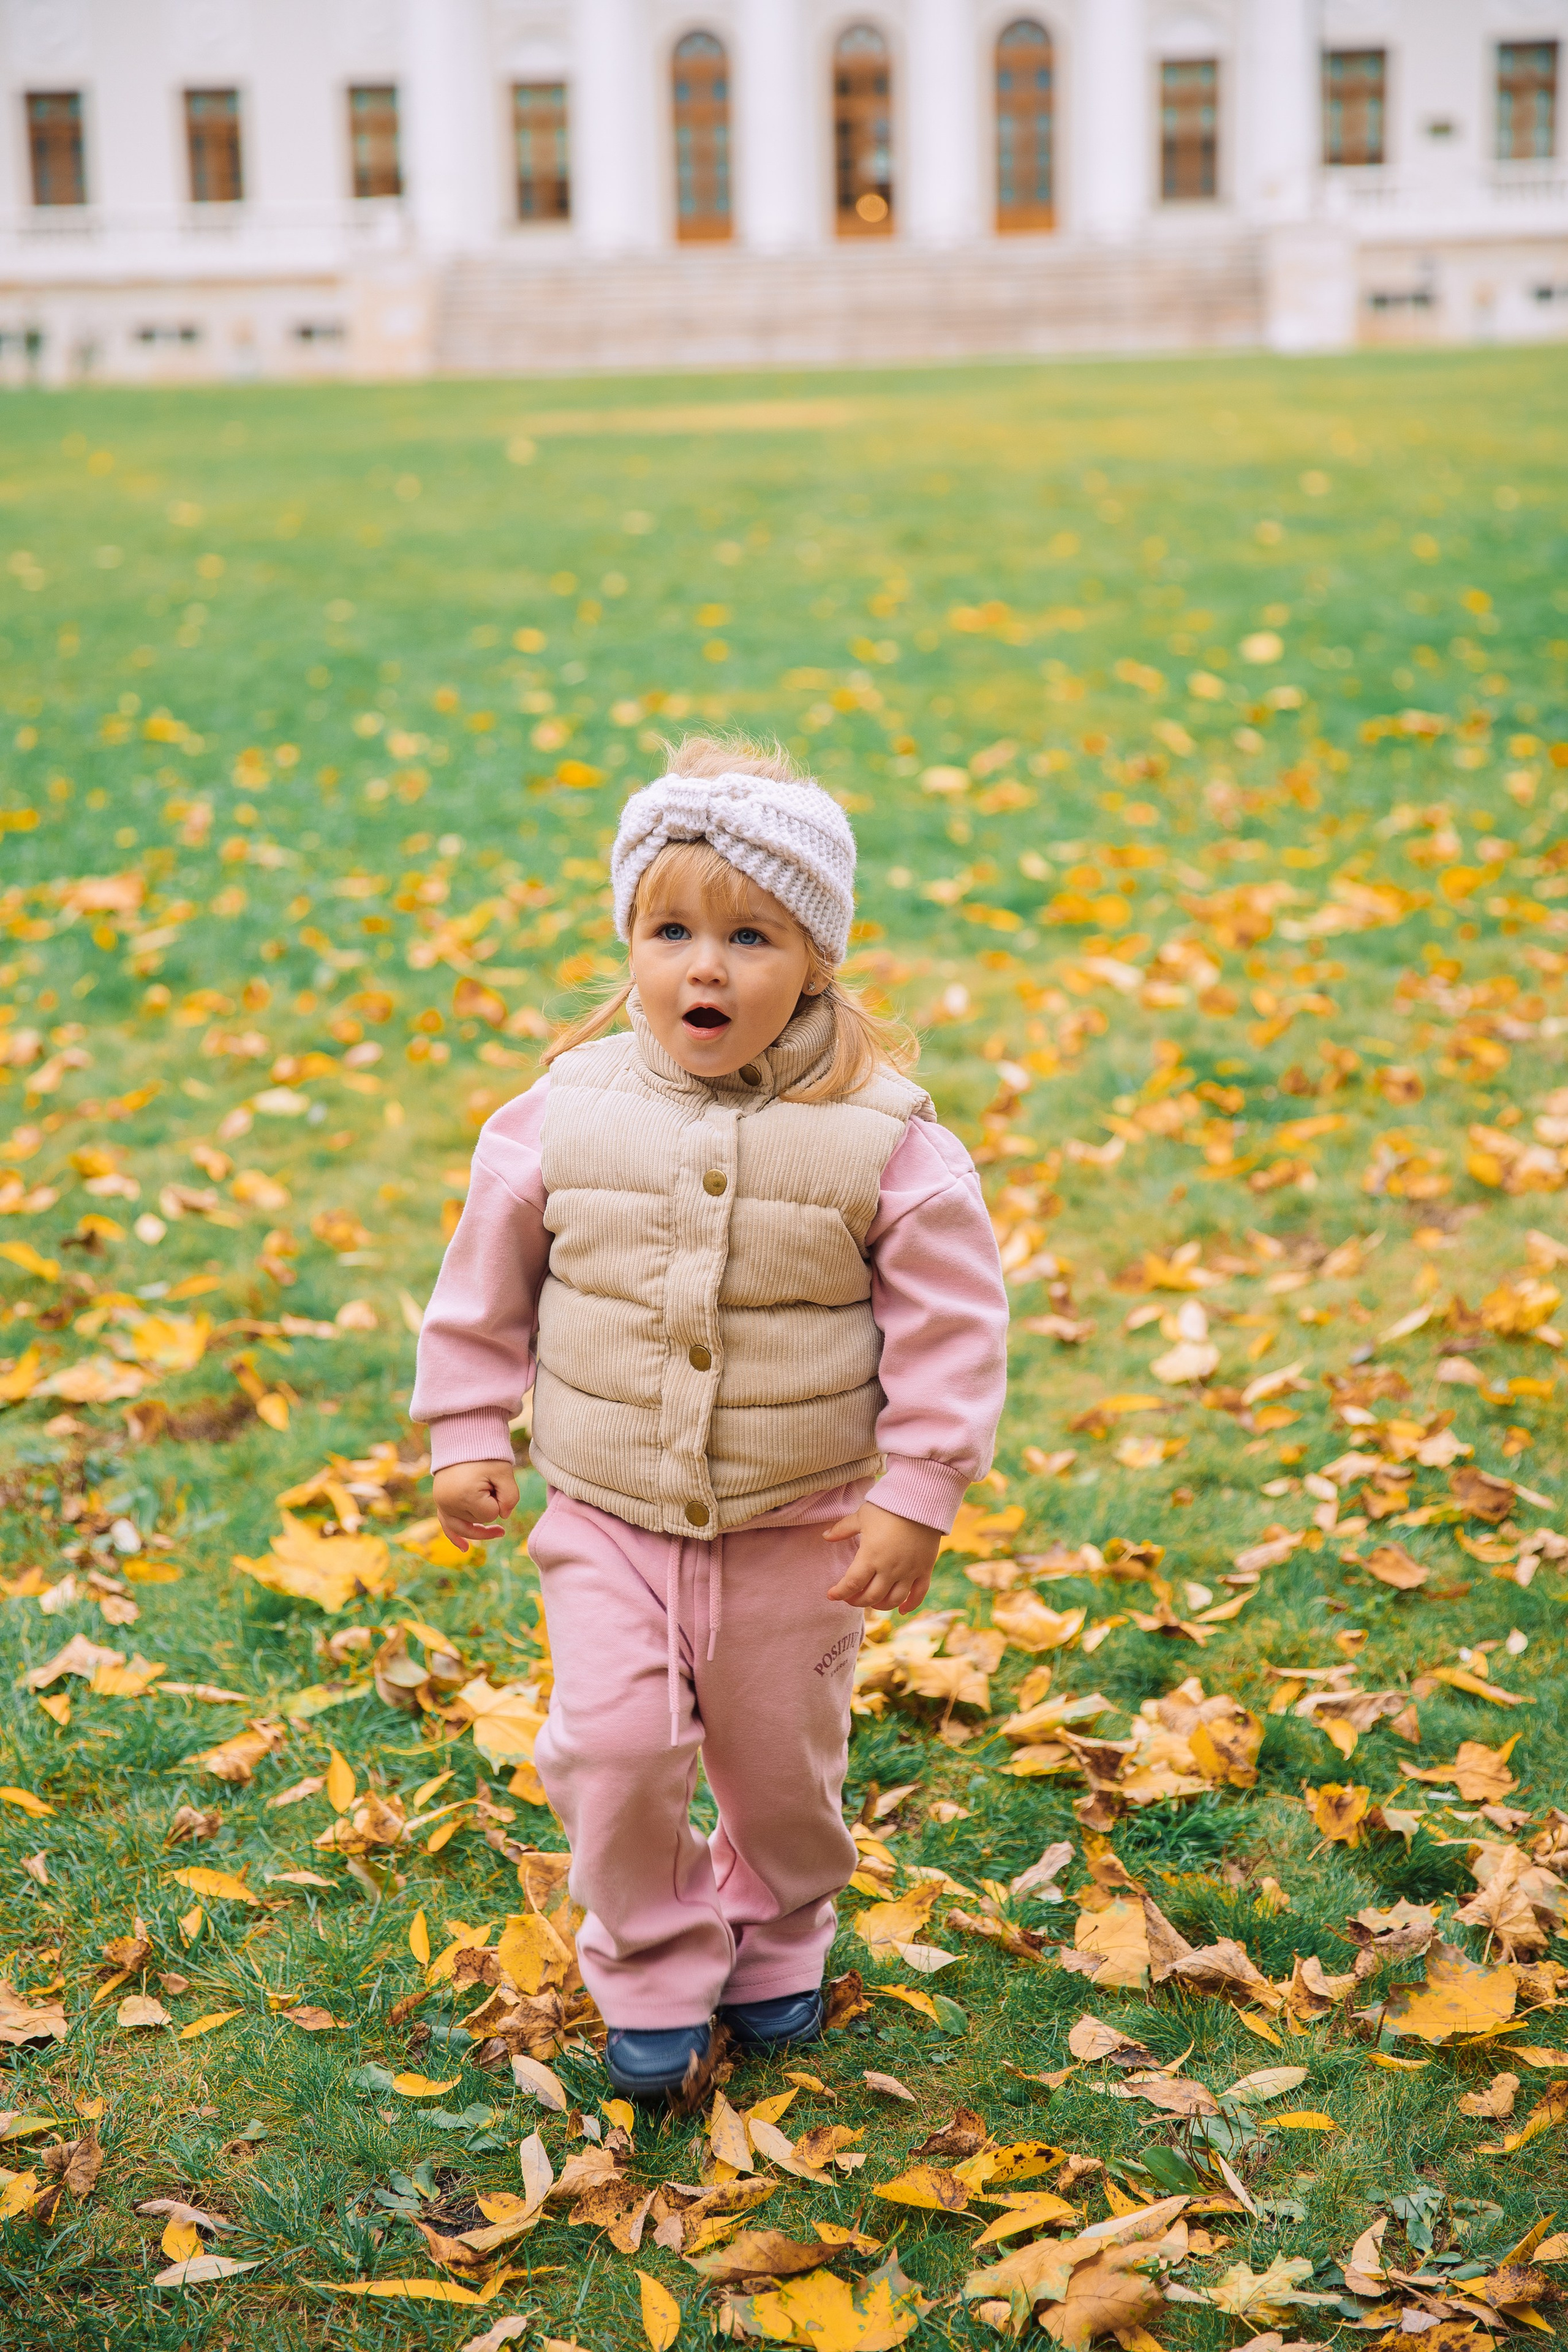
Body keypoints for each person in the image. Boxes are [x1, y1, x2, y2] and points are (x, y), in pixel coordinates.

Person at [411, 736, 1008, 2098]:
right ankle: (653, 1959)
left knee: (780, 1770)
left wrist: (916, 1491)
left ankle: (779, 1932)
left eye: (750, 937)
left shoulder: (884, 1137)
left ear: (817, 960)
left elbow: (952, 1331)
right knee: (614, 1753)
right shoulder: (559, 1117)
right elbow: (481, 1291)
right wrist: (463, 1432)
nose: (705, 967)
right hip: (609, 1515)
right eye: (668, 929)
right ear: (626, 937)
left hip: (799, 1529)